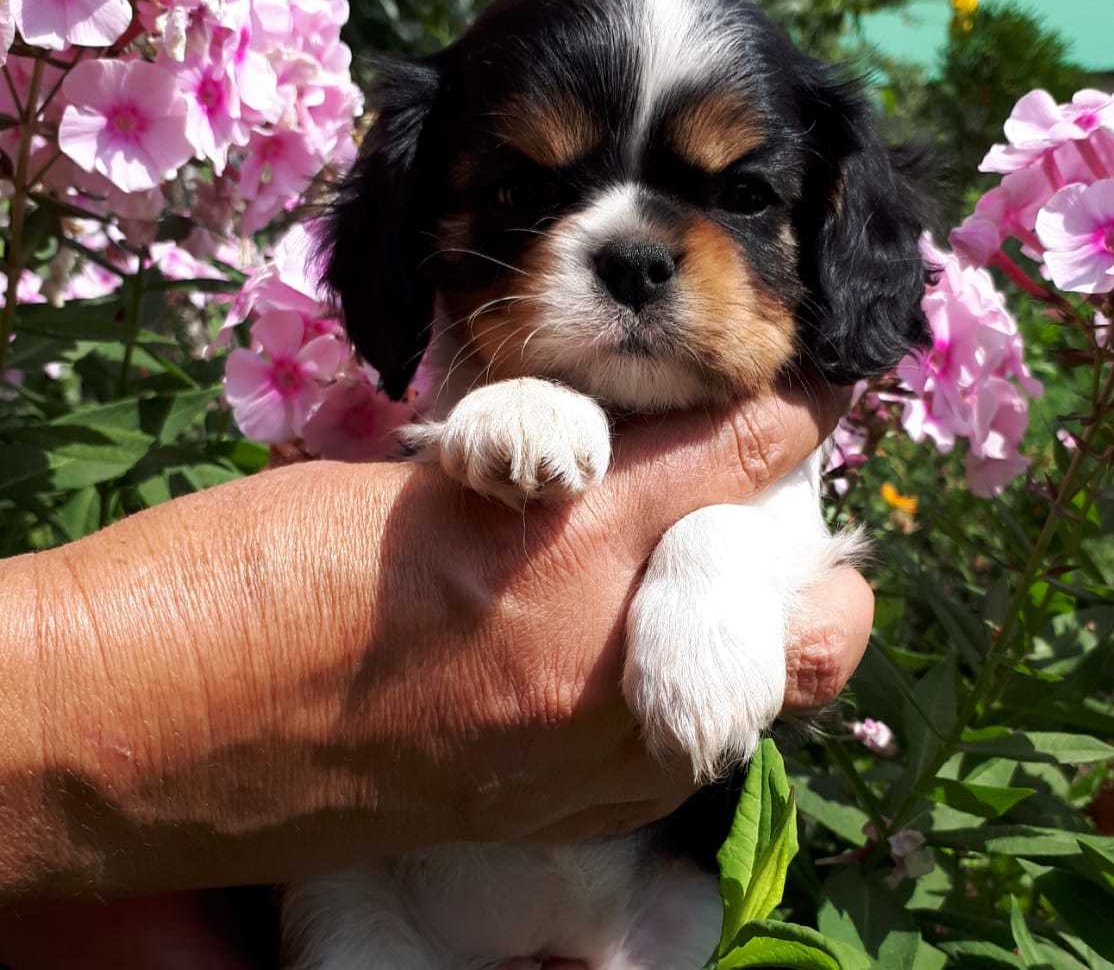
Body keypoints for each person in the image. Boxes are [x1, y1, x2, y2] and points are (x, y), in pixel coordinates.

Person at [0, 386, 872, 968]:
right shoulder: (502, 396)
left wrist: (718, 550)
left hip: (644, 915)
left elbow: (788, 558)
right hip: (389, 913)